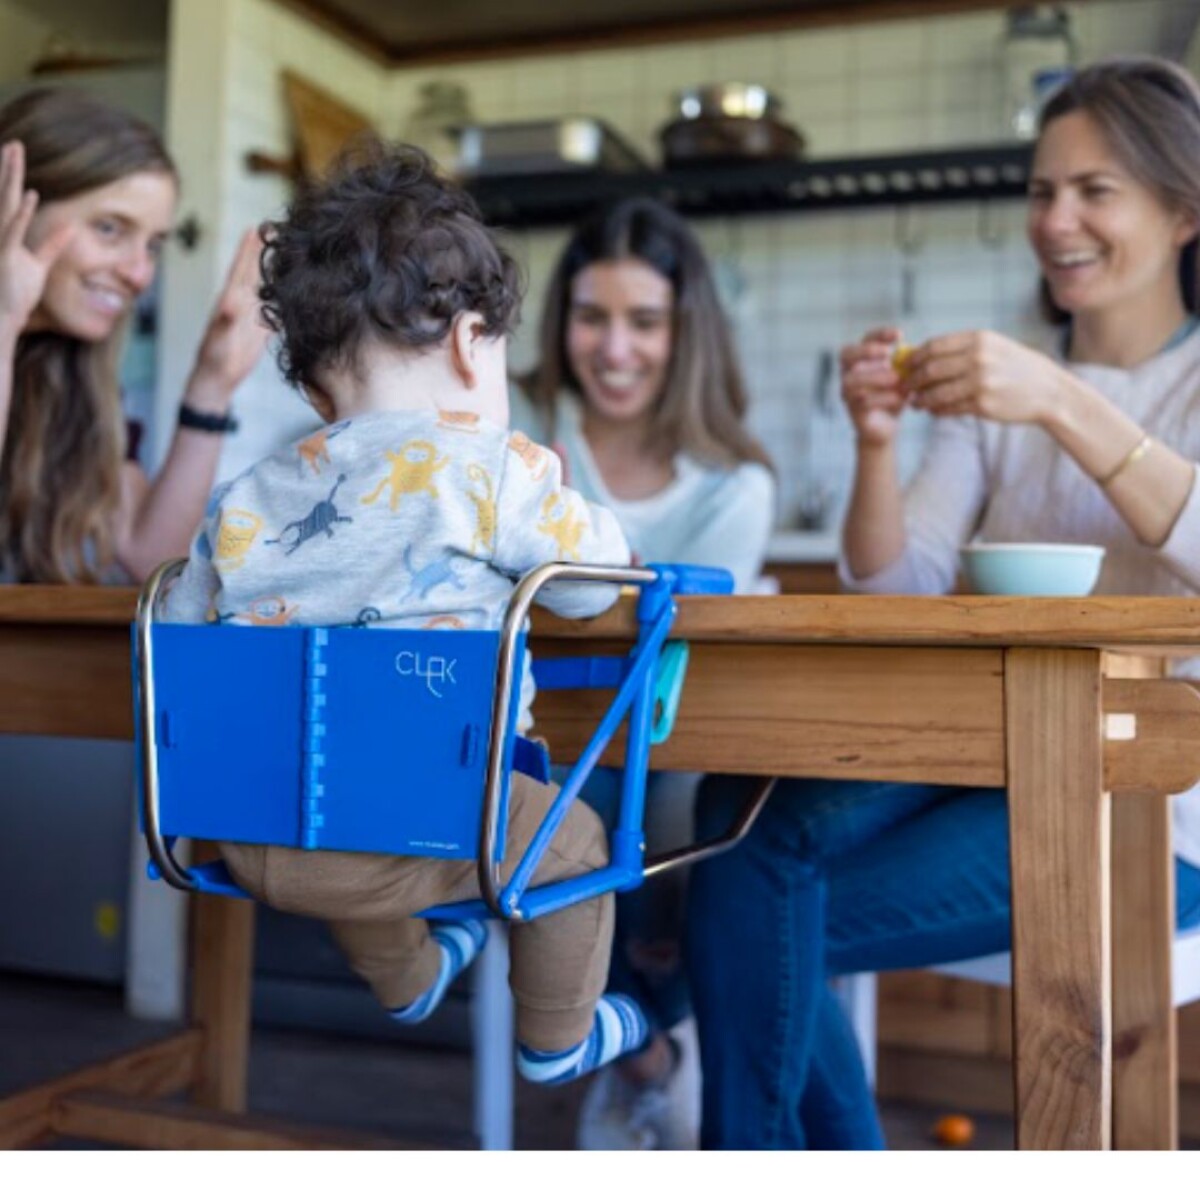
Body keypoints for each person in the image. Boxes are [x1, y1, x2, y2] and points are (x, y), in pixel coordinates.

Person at [686, 54, 1200, 1150]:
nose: (1055, 219)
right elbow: (899, 581)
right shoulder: (999, 392)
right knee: (735, 823)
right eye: (1041, 190)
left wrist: (1063, 400)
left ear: (1184, 211)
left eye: (1094, 190)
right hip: (986, 748)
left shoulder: (1113, 384)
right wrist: (878, 443)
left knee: (746, 905)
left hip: (1162, 801)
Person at [161, 141, 651, 1087]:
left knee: (324, 769)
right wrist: (579, 516)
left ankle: (410, 978)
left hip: (252, 835)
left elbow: (183, 638)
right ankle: (559, 1040)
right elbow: (594, 587)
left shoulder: (245, 497)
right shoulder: (492, 471)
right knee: (572, 840)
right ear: (473, 343)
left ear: (310, 388)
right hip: (422, 828)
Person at [514, 197, 776, 1148]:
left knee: (678, 827)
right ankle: (651, 1054)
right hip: (524, 735)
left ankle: (644, 1043)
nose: (614, 348)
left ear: (685, 331)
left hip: (661, 741)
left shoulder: (735, 486)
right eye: (592, 317)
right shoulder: (519, 433)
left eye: (644, 322)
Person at [0, 87, 268, 585]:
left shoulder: (65, 369)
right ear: (11, 205)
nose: (139, 274)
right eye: (109, 228)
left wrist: (212, 386)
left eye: (152, 244)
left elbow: (156, 562)